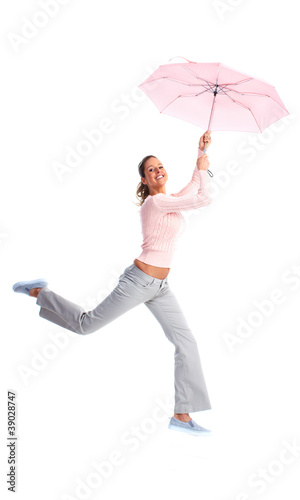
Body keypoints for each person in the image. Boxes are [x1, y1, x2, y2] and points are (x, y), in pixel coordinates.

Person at [12, 131, 214, 436]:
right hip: (139, 281)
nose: (158, 170)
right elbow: (203, 197)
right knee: (86, 325)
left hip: (160, 286)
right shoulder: (156, 204)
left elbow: (193, 189)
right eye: (151, 169)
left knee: (186, 343)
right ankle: (41, 292)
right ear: (145, 181)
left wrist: (201, 153)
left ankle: (181, 416)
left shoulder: (169, 200)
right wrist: (203, 167)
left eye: (160, 166)